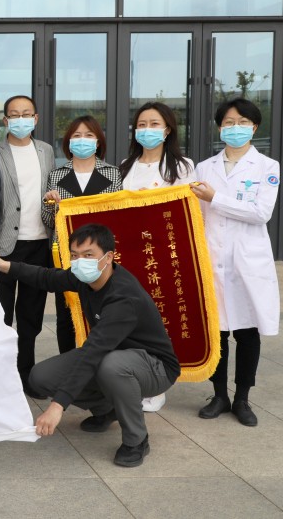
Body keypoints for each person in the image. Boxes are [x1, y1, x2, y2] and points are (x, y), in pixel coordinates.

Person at [0, 223, 180, 468]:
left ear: (108, 257)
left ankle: (136, 440)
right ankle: (107, 409)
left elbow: (94, 352)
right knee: (41, 377)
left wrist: (57, 406)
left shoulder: (122, 297)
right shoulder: (86, 278)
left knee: (111, 365)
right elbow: (46, 277)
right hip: (111, 355)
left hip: (155, 367)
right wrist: (1, 264)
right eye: (74, 255)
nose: (80, 262)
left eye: (88, 255)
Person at [190, 98, 280, 427]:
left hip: (247, 261)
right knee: (217, 332)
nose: (235, 128)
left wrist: (216, 198)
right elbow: (197, 215)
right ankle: (219, 395)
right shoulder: (204, 167)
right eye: (228, 122)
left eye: (242, 122)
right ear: (219, 128)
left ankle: (242, 398)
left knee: (247, 332)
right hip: (212, 258)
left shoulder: (267, 167)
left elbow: (261, 213)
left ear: (254, 127)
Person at [118, 101, 195, 413]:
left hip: (166, 254)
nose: (147, 130)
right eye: (141, 125)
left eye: (154, 124)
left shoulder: (182, 167)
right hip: (132, 254)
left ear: (167, 129)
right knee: (134, 320)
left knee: (163, 319)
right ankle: (136, 378)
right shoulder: (125, 166)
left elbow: (188, 212)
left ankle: (159, 383)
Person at [0, 95, 55, 400]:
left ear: (36, 118)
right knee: (1, 315)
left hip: (39, 242)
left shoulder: (46, 151)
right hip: (5, 244)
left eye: (26, 114)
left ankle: (25, 373)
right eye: (14, 115)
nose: (21, 119)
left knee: (30, 316)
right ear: (5, 120)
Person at [43, 115, 122, 354]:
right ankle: (68, 366)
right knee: (66, 316)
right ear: (68, 142)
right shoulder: (56, 175)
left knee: (102, 313)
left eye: (88, 135)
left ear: (98, 142)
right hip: (67, 256)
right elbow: (48, 222)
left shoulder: (113, 173)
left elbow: (117, 217)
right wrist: (50, 205)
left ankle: (100, 366)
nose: (82, 140)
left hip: (99, 257)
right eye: (77, 136)